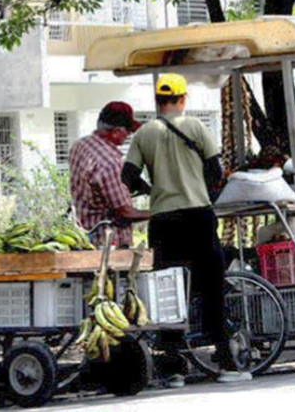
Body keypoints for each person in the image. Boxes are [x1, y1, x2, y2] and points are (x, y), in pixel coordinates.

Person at [122, 73, 251, 384]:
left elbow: (127, 176)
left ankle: (175, 366)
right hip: (198, 217)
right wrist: (203, 192)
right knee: (212, 285)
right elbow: (216, 170)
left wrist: (152, 188)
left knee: (169, 290)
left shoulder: (145, 133)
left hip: (164, 221)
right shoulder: (195, 126)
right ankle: (224, 362)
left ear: (157, 100)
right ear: (182, 99)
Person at [69, 102, 149, 247]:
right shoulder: (110, 163)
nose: (129, 136)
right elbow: (125, 213)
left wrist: (136, 185)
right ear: (117, 131)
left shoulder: (80, 146)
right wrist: (160, 213)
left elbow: (96, 184)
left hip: (86, 236)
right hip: (109, 243)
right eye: (128, 131)